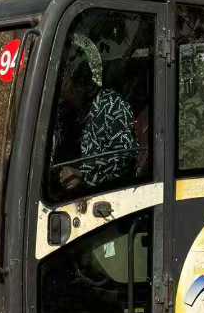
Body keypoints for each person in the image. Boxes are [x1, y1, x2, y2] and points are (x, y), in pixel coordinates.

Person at [51, 40, 140, 196]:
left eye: (65, 76)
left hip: (100, 197)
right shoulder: (63, 112)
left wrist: (83, 176)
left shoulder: (111, 105)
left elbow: (125, 158)